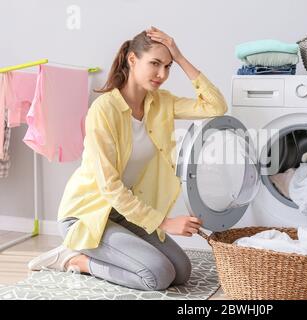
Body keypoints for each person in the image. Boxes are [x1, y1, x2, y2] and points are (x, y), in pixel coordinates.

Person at [27, 26, 228, 291]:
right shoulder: (104, 110)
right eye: (155, 63)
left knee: (181, 271)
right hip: (87, 217)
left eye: (168, 67)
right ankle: (72, 258)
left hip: (124, 214)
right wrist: (165, 223)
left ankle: (99, 252)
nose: (162, 74)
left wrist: (179, 56)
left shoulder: (161, 103)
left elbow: (216, 106)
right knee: (157, 275)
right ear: (132, 59)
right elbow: (109, 186)